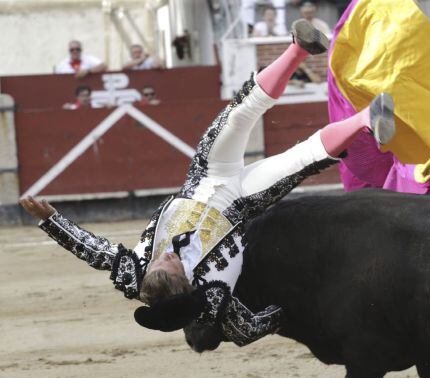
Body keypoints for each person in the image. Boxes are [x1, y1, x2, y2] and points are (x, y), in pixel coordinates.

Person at [20, 19, 397, 345]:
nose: (165, 256)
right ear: (186, 283)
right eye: (172, 266)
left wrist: (51, 220)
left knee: (240, 112)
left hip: (203, 175)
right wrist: (289, 312)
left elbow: (94, 250)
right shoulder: (212, 297)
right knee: (303, 158)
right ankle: (368, 116)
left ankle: (299, 47)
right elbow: (245, 330)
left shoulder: (135, 272)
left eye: (158, 265)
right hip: (241, 203)